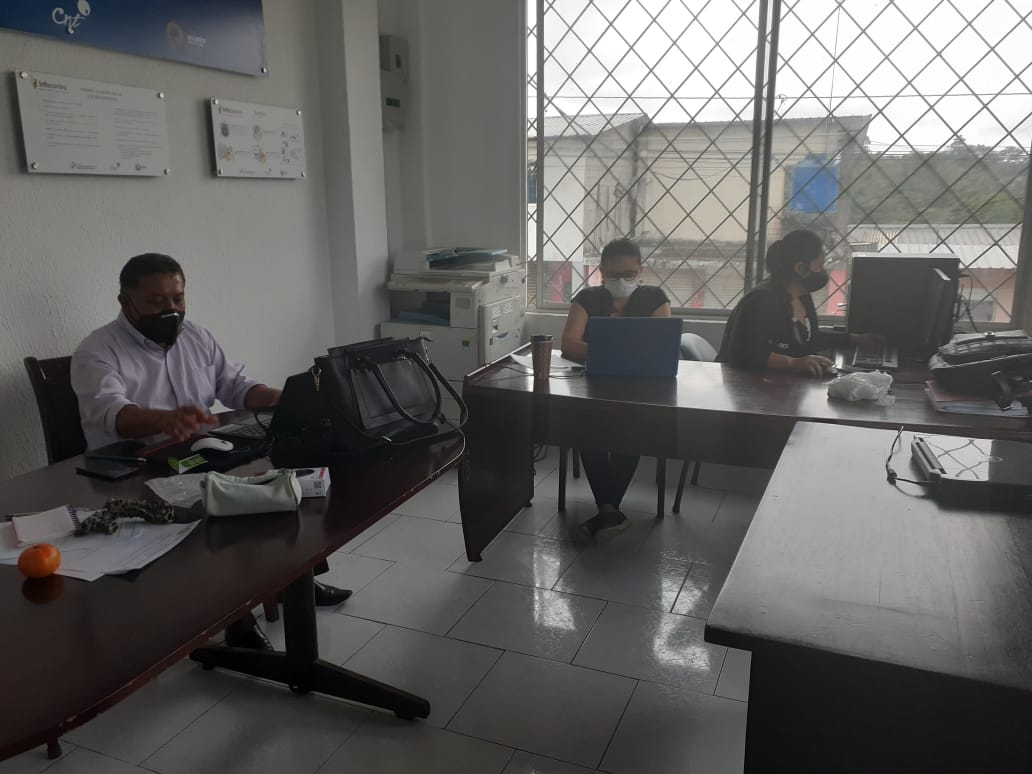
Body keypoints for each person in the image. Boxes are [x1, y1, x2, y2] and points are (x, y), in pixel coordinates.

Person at [71, 253, 351, 650]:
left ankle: (294, 583)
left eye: (177, 299)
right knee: (233, 503)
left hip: (198, 453)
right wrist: (165, 419)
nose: (170, 310)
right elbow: (112, 414)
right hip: (135, 469)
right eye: (156, 302)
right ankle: (238, 623)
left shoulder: (196, 337)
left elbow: (237, 386)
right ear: (125, 302)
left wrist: (285, 397)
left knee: (281, 479)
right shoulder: (98, 350)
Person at [560, 238, 672, 542]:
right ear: (601, 271)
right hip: (594, 386)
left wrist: (602, 348)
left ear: (640, 271)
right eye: (613, 274)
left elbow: (662, 345)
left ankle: (607, 512)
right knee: (586, 431)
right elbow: (569, 344)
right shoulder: (588, 298)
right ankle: (610, 512)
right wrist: (621, 351)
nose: (621, 280)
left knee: (631, 430)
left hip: (642, 389)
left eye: (629, 274)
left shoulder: (654, 298)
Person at [717, 229, 882, 375]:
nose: (823, 272)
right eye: (819, 266)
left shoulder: (802, 296)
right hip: (748, 389)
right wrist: (793, 363)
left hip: (782, 389)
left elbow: (810, 338)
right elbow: (745, 354)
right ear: (800, 268)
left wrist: (854, 339)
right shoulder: (761, 301)